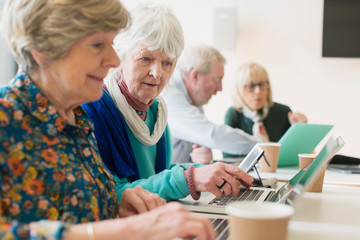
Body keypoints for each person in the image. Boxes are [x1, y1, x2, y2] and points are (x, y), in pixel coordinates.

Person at [0, 1, 216, 239]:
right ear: (42, 48)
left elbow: (81, 208)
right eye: (97, 45)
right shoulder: (6, 116)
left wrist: (117, 202)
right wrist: (127, 228)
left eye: (112, 44)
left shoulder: (77, 119)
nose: (114, 60)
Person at [82, 4, 253, 204]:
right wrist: (190, 178)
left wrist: (208, 172)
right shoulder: (95, 109)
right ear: (120, 57)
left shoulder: (156, 111)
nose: (157, 73)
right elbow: (114, 196)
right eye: (145, 58)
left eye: (167, 63)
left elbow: (158, 176)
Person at [161, 45, 260, 164]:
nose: (220, 88)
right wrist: (261, 147)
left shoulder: (194, 99)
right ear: (195, 76)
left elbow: (202, 144)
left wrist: (202, 157)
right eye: (217, 79)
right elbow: (212, 135)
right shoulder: (168, 93)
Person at [223, 62, 308, 158]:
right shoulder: (233, 114)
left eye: (262, 84)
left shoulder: (283, 112)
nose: (258, 91)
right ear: (238, 90)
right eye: (251, 86)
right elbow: (228, 155)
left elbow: (295, 153)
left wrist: (300, 129)